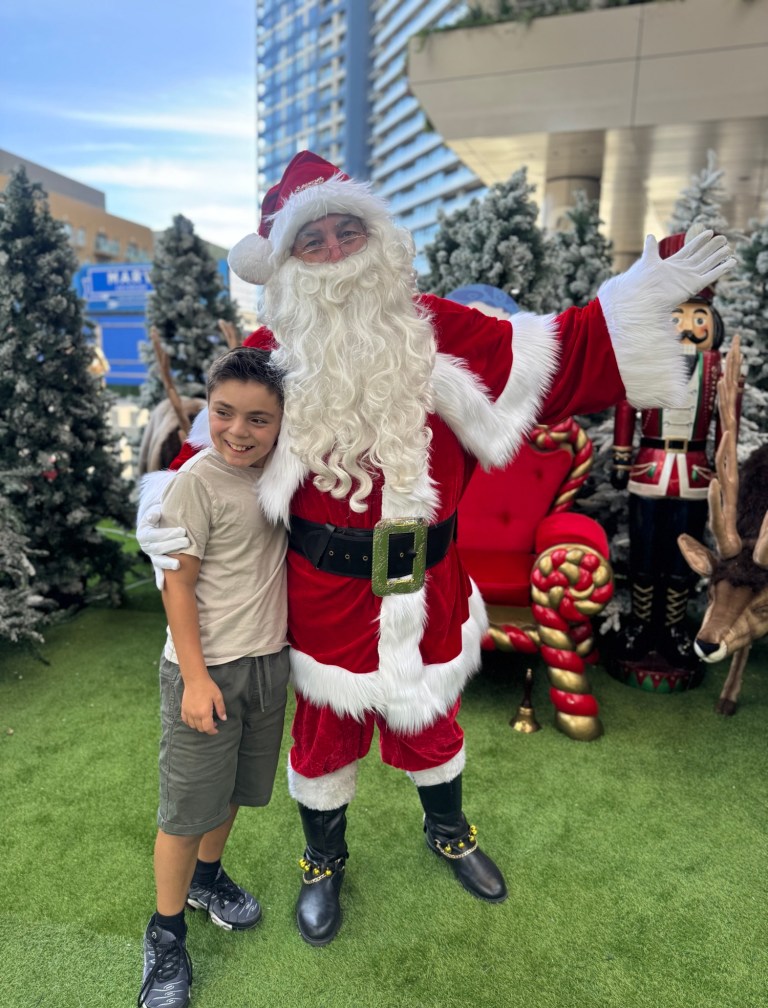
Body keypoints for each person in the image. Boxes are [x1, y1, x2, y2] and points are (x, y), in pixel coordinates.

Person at [137, 151, 735, 949]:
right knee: (323, 733)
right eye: (313, 239)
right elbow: (217, 446)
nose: (335, 250)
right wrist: (165, 510)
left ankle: (449, 832)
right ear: (285, 259)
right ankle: (323, 861)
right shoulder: (271, 348)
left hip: (430, 581)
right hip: (320, 588)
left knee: (433, 722)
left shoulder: (442, 328)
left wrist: (637, 297)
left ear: (377, 238)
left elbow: (559, 355)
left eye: (349, 230)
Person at [138, 346, 289, 1008]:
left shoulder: (282, 474)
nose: (239, 430)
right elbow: (178, 586)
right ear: (208, 410)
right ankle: (166, 935)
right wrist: (196, 679)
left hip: (266, 663)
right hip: (205, 670)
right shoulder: (196, 481)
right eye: (225, 413)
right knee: (185, 811)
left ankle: (207, 879)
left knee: (232, 793)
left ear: (282, 423)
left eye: (259, 418)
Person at [610, 226, 737, 671]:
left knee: (685, 553)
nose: (687, 327)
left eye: (698, 318)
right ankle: (641, 623)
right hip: (650, 466)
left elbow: (728, 420)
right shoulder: (645, 357)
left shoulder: (720, 367)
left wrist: (726, 467)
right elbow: (625, 404)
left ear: (713, 322)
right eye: (677, 317)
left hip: (696, 472)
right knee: (644, 551)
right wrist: (621, 454)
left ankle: (675, 627)